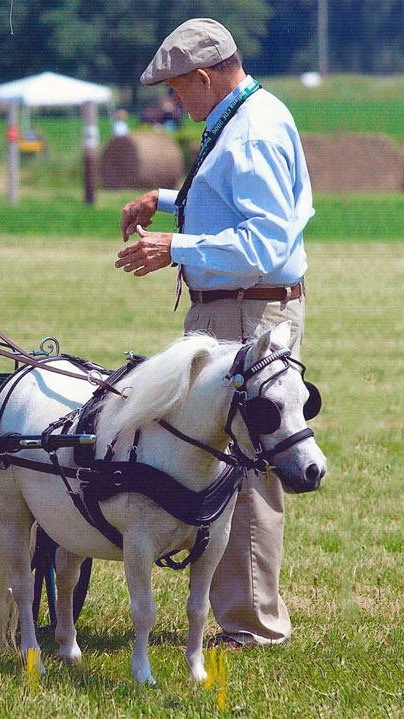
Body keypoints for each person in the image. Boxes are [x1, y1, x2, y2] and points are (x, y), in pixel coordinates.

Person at [115, 19, 313, 649]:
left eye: (179, 91)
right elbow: (235, 204)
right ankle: (239, 610)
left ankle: (252, 624)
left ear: (204, 77)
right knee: (219, 454)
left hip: (246, 312)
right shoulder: (244, 112)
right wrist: (170, 200)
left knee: (245, 462)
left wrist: (177, 245)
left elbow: (265, 241)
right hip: (237, 307)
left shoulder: (249, 131)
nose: (177, 102)